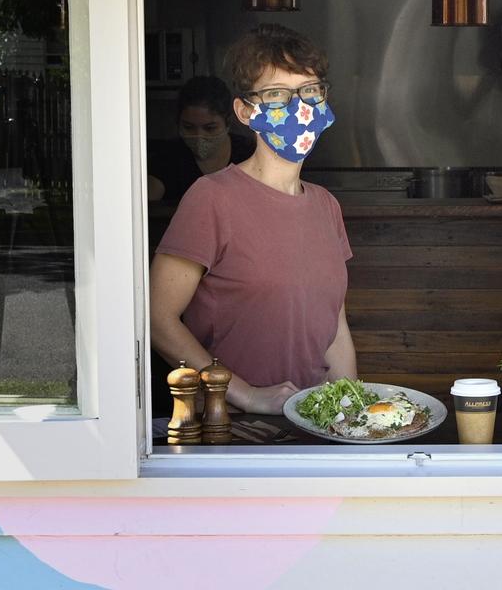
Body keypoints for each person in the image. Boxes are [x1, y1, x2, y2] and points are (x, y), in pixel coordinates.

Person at [150, 24, 355, 416]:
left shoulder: (326, 205)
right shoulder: (211, 198)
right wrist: (246, 395)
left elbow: (335, 330)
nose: (299, 107)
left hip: (312, 425)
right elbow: (158, 319)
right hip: (231, 430)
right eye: (277, 94)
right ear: (245, 111)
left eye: (310, 91)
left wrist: (349, 415)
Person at [148, 76, 255, 208]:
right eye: (189, 127)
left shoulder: (249, 152)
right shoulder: (167, 158)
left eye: (210, 128)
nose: (199, 135)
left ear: (227, 123)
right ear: (178, 122)